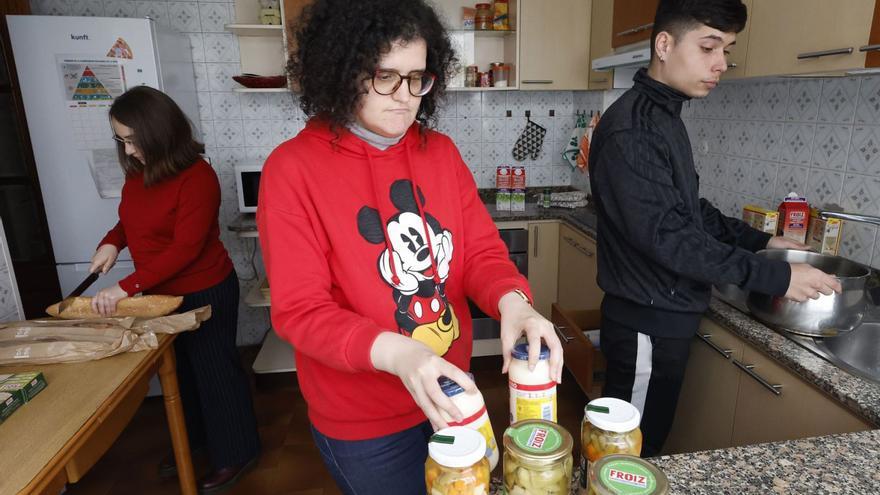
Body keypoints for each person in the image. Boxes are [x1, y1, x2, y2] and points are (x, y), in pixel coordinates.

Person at [256, 0, 564, 492]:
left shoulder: (439, 152)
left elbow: (482, 254)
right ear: (340, 70)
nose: (405, 96)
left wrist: (515, 303)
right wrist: (403, 356)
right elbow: (300, 311)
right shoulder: (292, 169)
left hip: (450, 393)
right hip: (365, 421)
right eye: (385, 76)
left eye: (417, 78)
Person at [588, 0, 842, 457]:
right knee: (626, 454)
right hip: (646, 324)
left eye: (726, 49)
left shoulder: (663, 116)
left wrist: (763, 241)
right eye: (708, 47)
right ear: (664, 44)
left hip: (662, 316)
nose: (720, 64)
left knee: (645, 442)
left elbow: (689, 210)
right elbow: (670, 238)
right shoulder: (635, 129)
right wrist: (778, 275)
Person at [89, 86, 261, 493]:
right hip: (159, 294)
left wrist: (125, 288)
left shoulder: (197, 177)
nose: (128, 150)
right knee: (181, 373)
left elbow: (186, 248)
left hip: (205, 290)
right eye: (121, 140)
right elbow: (129, 220)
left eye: (132, 139)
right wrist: (112, 241)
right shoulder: (139, 173)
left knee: (215, 373)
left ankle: (236, 451)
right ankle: (199, 441)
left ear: (158, 131)